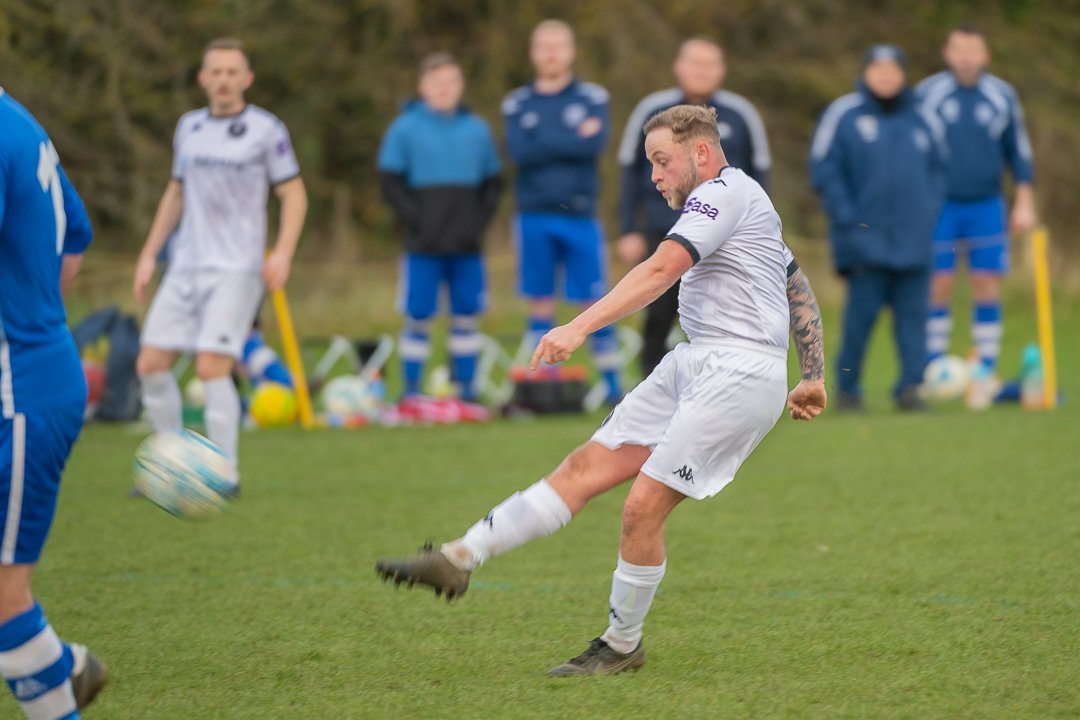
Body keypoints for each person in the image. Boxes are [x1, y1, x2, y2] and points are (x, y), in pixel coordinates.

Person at [377, 105, 827, 677]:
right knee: (582, 469)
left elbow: (662, 269)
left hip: (738, 375)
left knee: (641, 507)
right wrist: (812, 373)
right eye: (651, 164)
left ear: (703, 154)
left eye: (662, 162)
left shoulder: (723, 193)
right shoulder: (737, 204)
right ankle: (459, 556)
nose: (656, 176)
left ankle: (621, 646)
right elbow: (796, 281)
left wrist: (578, 326)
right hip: (695, 361)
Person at [132, 37, 307, 486]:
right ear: (203, 79)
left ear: (246, 79)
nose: (224, 79)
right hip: (185, 264)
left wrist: (283, 253)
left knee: (212, 366)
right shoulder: (188, 127)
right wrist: (150, 253)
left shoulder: (266, 130)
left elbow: (293, 193)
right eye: (216, 71)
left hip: (237, 268)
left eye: (233, 72)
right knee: (150, 363)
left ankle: (224, 473)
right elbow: (175, 192)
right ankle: (170, 465)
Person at [0, 89, 108, 717]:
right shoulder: (20, 120)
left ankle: (53, 674)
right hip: (34, 373)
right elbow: (76, 241)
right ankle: (62, 665)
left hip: (20, 398)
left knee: (5, 600)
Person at [616, 38, 771, 377]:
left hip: (725, 237)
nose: (701, 71)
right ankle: (649, 383)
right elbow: (629, 170)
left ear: (722, 70)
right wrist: (629, 228)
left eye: (709, 63)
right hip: (666, 229)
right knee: (657, 310)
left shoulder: (741, 114)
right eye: (694, 62)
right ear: (679, 66)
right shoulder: (653, 111)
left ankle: (718, 383)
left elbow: (759, 175)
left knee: (719, 314)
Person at [809, 45, 947, 411]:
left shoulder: (924, 118)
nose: (886, 76)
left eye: (893, 69)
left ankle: (911, 389)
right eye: (878, 68)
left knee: (913, 323)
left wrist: (928, 211)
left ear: (903, 75)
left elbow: (941, 172)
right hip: (864, 243)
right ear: (866, 73)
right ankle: (849, 390)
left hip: (914, 242)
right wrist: (848, 217)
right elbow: (824, 169)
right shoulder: (844, 114)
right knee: (859, 321)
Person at [916, 24, 1037, 404]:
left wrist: (1024, 201)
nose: (966, 57)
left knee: (986, 282)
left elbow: (1018, 152)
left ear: (984, 55)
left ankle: (984, 369)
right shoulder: (928, 94)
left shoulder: (1002, 96)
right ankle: (934, 368)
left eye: (973, 50)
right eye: (959, 50)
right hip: (940, 206)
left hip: (987, 205)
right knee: (939, 283)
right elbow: (913, 149)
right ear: (947, 53)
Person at [502, 19, 621, 403]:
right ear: (533, 54)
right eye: (544, 46)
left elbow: (592, 147)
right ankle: (542, 389)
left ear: (571, 52)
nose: (551, 53)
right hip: (533, 213)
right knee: (540, 298)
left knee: (593, 299)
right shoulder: (517, 102)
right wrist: (569, 140)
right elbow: (520, 153)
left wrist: (545, 143)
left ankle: (613, 388)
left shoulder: (593, 97)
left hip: (580, 214)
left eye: (558, 46)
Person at [377, 52, 502, 406]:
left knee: (466, 318)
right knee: (417, 317)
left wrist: (476, 224)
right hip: (422, 244)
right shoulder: (404, 128)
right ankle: (411, 394)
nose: (444, 89)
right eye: (437, 83)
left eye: (451, 82)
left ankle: (467, 392)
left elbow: (492, 185)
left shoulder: (477, 129)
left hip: (466, 245)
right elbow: (390, 182)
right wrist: (417, 220)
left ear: (460, 87)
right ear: (423, 87)